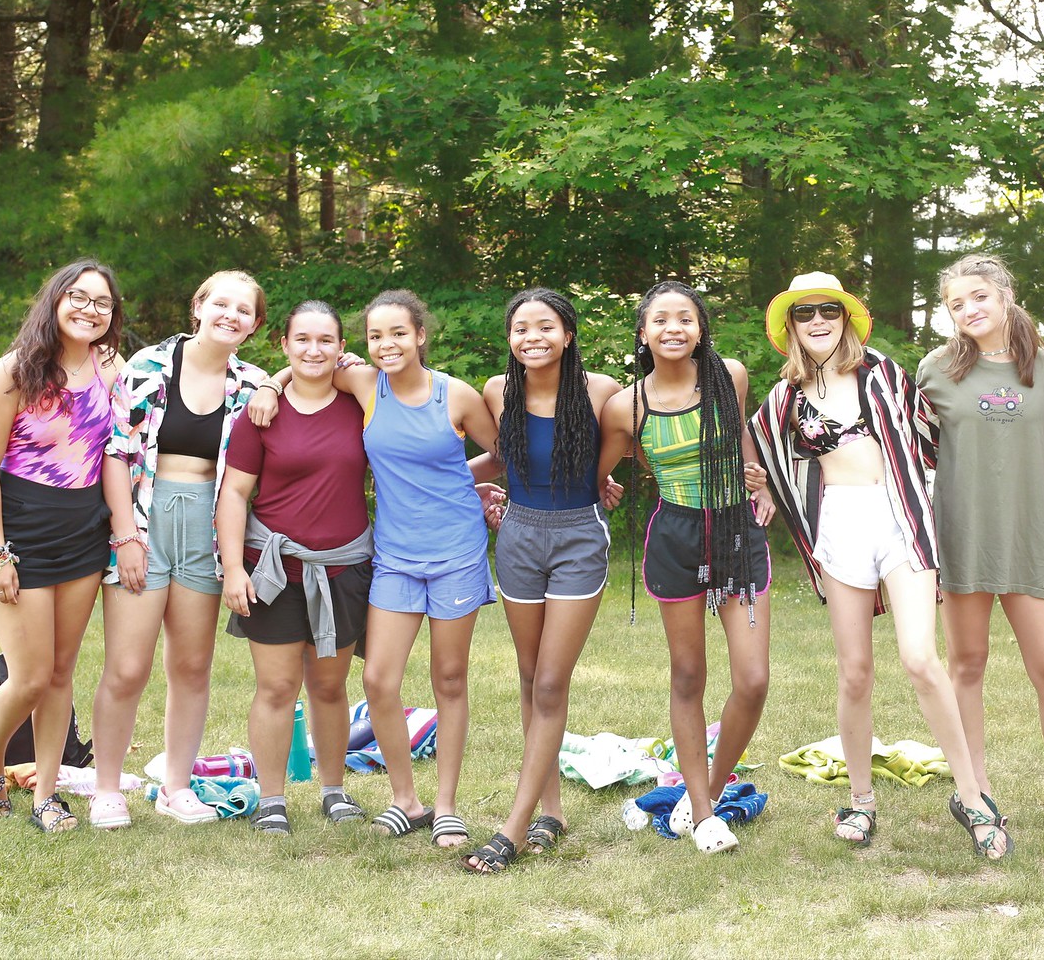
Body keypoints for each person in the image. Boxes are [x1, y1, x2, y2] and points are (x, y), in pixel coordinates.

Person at [748, 272, 1011, 859]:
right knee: (855, 672)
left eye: (829, 311)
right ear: (790, 326)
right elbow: (757, 447)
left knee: (920, 658)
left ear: (845, 319)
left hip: (900, 517)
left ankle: (972, 796)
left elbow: (936, 435)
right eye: (805, 313)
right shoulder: (785, 397)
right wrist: (760, 485)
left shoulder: (883, 373)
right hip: (840, 527)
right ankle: (860, 799)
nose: (818, 321)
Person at [253, 289, 502, 850]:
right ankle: (404, 799)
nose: (387, 344)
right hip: (392, 556)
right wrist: (269, 385)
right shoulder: (363, 383)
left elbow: (507, 453)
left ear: (420, 336)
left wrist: (470, 482)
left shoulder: (455, 396)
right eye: (375, 336)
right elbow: (303, 364)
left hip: (458, 555)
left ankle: (444, 807)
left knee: (450, 679)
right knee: (378, 680)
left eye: (398, 333)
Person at [915, 254, 1044, 840]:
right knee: (967, 666)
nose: (969, 310)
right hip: (962, 541)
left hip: (1030, 542)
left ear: (1006, 296)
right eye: (956, 304)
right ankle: (973, 794)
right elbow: (903, 451)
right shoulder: (935, 370)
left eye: (978, 297)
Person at [596, 280, 776, 856]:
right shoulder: (628, 405)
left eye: (685, 319)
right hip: (674, 537)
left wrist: (756, 475)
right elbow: (621, 463)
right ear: (643, 333)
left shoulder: (732, 375)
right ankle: (702, 814)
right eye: (660, 321)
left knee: (752, 680)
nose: (673, 329)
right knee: (688, 676)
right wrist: (602, 486)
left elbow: (740, 435)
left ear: (700, 329)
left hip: (735, 533)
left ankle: (707, 792)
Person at [88, 271, 271, 830]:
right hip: (145, 519)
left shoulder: (254, 383)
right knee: (126, 667)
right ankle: (105, 788)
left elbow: (321, 371)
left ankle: (176, 785)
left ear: (256, 325)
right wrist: (126, 538)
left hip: (211, 530)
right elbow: (115, 454)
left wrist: (276, 381)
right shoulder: (146, 367)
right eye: (221, 303)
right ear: (198, 306)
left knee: (192, 667)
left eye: (244, 310)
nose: (230, 315)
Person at [460, 289, 623, 873]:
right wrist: (451, 483)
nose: (532, 337)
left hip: (580, 536)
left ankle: (514, 827)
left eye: (545, 326)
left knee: (552, 682)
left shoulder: (603, 391)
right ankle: (550, 809)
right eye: (520, 328)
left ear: (569, 334)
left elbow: (624, 448)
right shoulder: (498, 391)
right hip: (519, 536)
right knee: (530, 678)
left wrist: (600, 479)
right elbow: (504, 457)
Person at [0, 259, 125, 833]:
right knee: (30, 674)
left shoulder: (111, 366)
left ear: (112, 315)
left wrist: (276, 380)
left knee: (61, 673)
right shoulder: (13, 372)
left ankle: (46, 794)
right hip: (19, 535)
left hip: (84, 531)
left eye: (102, 302)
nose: (89, 309)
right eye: (78, 297)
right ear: (55, 301)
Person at [216, 300, 374, 836]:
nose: (313, 350)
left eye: (325, 340)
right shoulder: (260, 412)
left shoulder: (361, 402)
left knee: (329, 687)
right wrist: (233, 567)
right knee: (277, 688)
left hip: (344, 569)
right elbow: (235, 493)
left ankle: (334, 790)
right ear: (284, 345)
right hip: (273, 570)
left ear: (340, 348)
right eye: (301, 339)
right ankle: (272, 799)